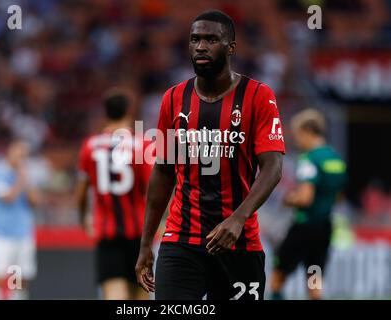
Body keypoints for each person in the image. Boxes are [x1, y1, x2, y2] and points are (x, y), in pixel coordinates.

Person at [135, 10, 285, 300]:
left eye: (211, 39)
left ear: (231, 47)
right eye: (195, 39)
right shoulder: (174, 98)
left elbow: (273, 168)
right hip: (181, 241)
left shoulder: (258, 96)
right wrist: (144, 244)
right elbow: (163, 172)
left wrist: (238, 219)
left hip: (239, 243)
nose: (201, 46)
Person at [76, 89, 151, 300]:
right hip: (139, 234)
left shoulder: (90, 146)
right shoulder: (142, 144)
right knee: (141, 295)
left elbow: (81, 192)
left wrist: (83, 217)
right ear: (129, 111)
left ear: (105, 113)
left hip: (107, 234)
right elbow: (154, 190)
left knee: (114, 294)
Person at [270, 108, 347, 300]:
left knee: (278, 276)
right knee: (314, 281)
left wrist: (289, 199)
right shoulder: (336, 159)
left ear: (307, 132)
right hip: (324, 227)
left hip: (304, 227)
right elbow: (339, 197)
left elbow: (305, 198)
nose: (297, 141)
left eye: (298, 135)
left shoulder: (309, 160)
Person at [0, 139, 40, 300]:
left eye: (24, 154)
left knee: (18, 280)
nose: (21, 157)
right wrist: (21, 179)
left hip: (22, 234)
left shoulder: (26, 174)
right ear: (9, 152)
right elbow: (8, 197)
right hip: (1, 235)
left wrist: (26, 180)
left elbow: (35, 201)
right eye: (18, 153)